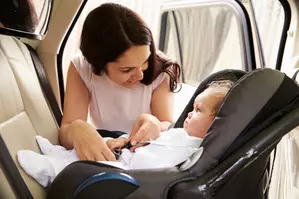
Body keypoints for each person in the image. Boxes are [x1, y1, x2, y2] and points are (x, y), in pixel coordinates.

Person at [17, 80, 234, 188]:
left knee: (93, 165)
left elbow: (162, 169)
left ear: (216, 124)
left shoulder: (193, 150)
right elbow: (159, 138)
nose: (188, 114)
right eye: (192, 108)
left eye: (198, 111)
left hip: (134, 172)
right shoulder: (183, 134)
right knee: (100, 142)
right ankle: (56, 153)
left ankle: (51, 170)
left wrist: (134, 152)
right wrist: (131, 143)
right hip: (130, 157)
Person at [59, 3, 181, 162]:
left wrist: (156, 124)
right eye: (126, 69)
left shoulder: (162, 69)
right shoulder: (81, 68)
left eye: (145, 62)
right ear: (99, 63)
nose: (139, 75)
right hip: (110, 145)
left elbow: (168, 124)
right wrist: (77, 129)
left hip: (146, 152)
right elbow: (66, 130)